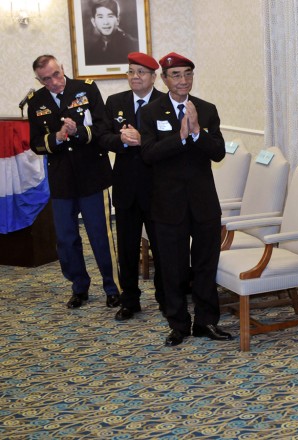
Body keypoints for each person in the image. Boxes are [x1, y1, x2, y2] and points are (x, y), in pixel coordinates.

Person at [140, 52, 232, 347]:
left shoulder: (206, 109)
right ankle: (178, 324)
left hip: (203, 200)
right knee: (173, 266)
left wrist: (196, 133)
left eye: (188, 74)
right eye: (176, 75)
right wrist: (179, 138)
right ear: (165, 79)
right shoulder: (151, 112)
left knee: (206, 264)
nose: (183, 80)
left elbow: (217, 152)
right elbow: (149, 154)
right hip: (168, 203)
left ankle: (206, 322)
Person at [27, 54, 120, 309]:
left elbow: (102, 127)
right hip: (61, 180)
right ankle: (79, 286)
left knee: (100, 235)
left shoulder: (86, 89)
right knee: (66, 239)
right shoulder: (37, 102)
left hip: (92, 175)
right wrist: (56, 137)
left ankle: (113, 288)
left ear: (62, 68)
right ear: (39, 79)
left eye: (56, 74)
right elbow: (35, 143)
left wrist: (78, 131)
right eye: (46, 79)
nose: (54, 82)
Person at [99, 52, 165, 321]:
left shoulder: (165, 103)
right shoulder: (116, 102)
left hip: (157, 188)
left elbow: (172, 141)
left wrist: (143, 140)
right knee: (126, 249)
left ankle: (166, 297)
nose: (135, 77)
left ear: (153, 77)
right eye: (130, 72)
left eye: (141, 72)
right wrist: (121, 140)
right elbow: (102, 138)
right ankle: (130, 300)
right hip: (126, 187)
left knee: (162, 247)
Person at [84, 0, 138, 66]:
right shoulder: (92, 50)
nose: (106, 22)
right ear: (93, 22)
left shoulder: (132, 46)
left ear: (118, 20)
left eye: (110, 16)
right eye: (100, 17)